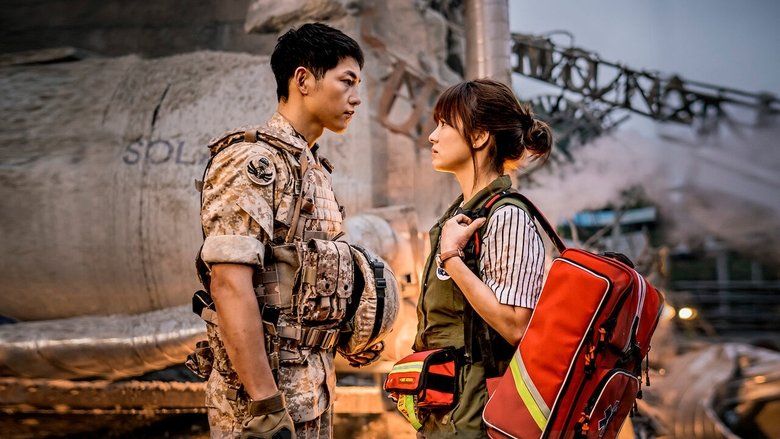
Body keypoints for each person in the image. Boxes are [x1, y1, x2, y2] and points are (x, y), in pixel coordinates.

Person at [195, 23, 374, 439]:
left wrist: (349, 329)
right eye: (346, 81)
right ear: (303, 80)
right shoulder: (251, 162)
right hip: (261, 406)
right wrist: (266, 405)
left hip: (312, 392)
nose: (356, 97)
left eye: (358, 85)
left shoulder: (311, 168)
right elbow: (229, 284)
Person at [413, 78, 554, 438]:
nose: (432, 136)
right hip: (449, 410)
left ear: (478, 137)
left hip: (479, 416)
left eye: (445, 124)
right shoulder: (460, 214)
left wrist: (451, 258)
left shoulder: (508, 216)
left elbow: (515, 325)